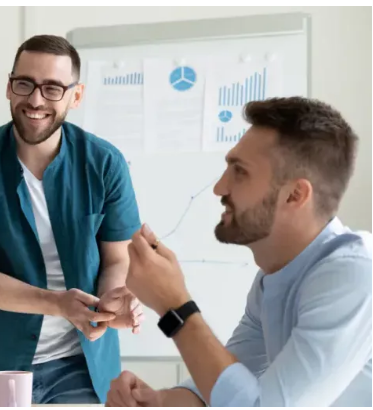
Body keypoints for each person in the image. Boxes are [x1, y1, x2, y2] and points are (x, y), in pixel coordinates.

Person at [107, 97, 372, 407]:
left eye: (240, 172)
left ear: (295, 195)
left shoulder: (354, 274)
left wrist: (174, 306)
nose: (219, 188)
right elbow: (223, 390)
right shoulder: (273, 278)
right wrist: (157, 401)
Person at [0, 35, 144, 405]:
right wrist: (58, 303)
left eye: (52, 88)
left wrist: (110, 300)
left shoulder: (105, 164)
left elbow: (117, 259)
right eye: (25, 84)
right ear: (9, 87)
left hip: (83, 364)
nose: (35, 100)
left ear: (75, 97)